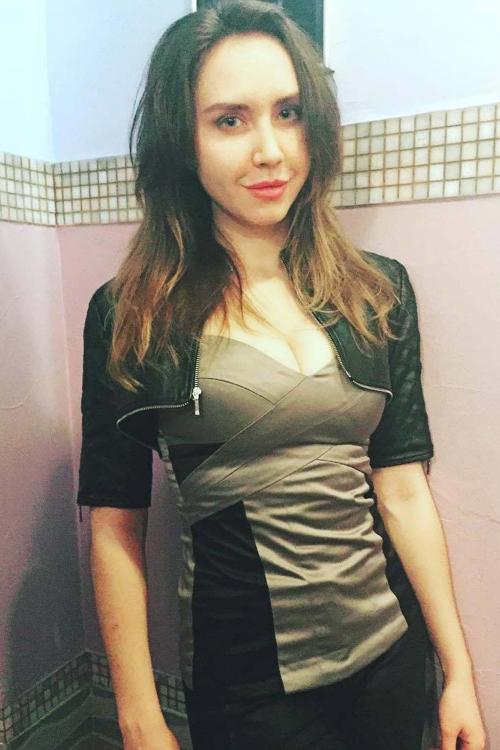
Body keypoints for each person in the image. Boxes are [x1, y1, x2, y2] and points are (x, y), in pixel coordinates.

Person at [76, 1, 487, 749]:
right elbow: (115, 522)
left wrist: (457, 670)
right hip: (246, 687)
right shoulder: (133, 313)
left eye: (289, 113)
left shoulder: (377, 291)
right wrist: (139, 718)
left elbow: (402, 490)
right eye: (230, 120)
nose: (269, 150)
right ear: (182, 140)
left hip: (392, 661)